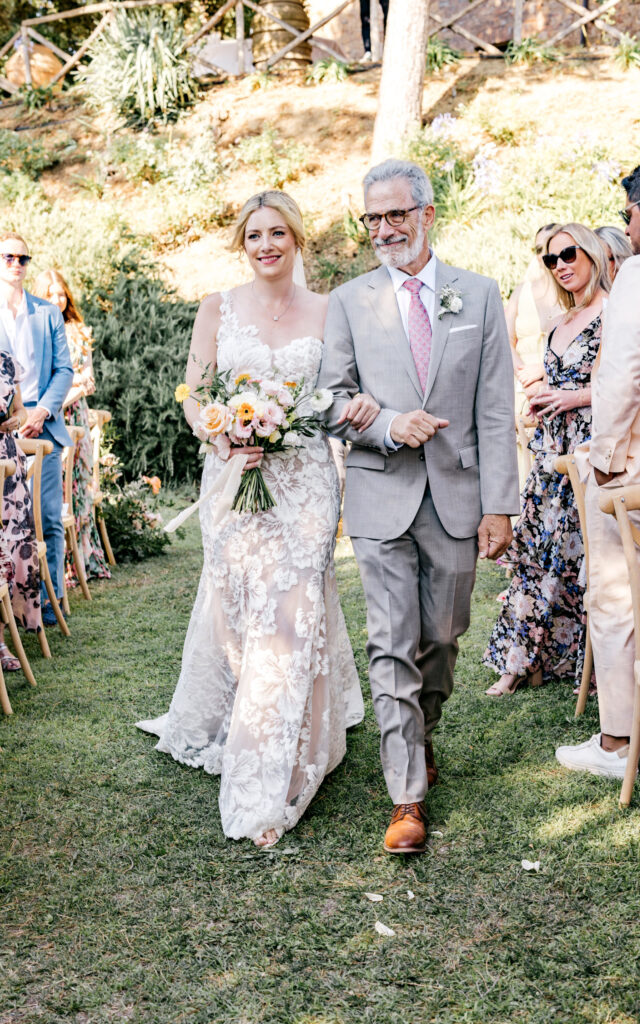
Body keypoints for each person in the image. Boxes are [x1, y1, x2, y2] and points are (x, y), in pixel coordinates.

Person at [137, 190, 380, 848]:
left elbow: (343, 394)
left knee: (293, 611)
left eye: (278, 232)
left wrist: (357, 410)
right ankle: (251, 711)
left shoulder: (332, 310)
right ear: (241, 244)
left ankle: (268, 780)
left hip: (304, 483)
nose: (267, 244)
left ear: (297, 239)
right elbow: (195, 392)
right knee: (244, 609)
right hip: (234, 476)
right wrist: (220, 436)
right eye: (254, 235)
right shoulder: (216, 307)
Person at [317, 158, 518, 855]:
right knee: (390, 643)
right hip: (379, 495)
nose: (383, 229)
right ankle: (406, 794)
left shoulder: (480, 295)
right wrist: (382, 424)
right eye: (372, 218)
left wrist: (501, 506)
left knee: (443, 637)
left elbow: (495, 409)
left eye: (396, 214)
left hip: (459, 498)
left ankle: (423, 732)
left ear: (428, 214)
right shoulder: (347, 300)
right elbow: (330, 399)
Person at [555, 155, 640, 777]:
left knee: (617, 599)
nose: (627, 230)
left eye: (630, 214)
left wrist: (603, 459)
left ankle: (618, 743)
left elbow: (621, 377)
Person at [484, 223, 610, 696]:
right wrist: (541, 399)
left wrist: (570, 399)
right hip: (548, 452)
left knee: (582, 557)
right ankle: (518, 662)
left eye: (569, 254)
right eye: (551, 260)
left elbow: (623, 386)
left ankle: (589, 666)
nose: (561, 265)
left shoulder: (613, 314)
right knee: (535, 555)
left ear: (592, 254)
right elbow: (553, 380)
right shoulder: (558, 323)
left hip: (588, 451)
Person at [0, 232, 73, 625]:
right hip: (2, 430)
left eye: (23, 258)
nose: (16, 264)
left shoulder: (47, 312)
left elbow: (65, 370)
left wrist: (41, 411)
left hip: (42, 426)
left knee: (46, 517)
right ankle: (11, 610)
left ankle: (52, 600)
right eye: (8, 256)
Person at [33, 269, 110, 584]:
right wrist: (68, 383)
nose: (56, 298)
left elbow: (87, 381)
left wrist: (72, 385)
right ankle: (53, 566)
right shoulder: (34, 329)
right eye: (50, 293)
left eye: (61, 293)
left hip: (74, 416)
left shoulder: (79, 331)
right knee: (51, 494)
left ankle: (80, 560)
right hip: (46, 418)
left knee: (77, 488)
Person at [0, 351, 41, 667]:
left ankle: (2, 640)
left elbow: (21, 411)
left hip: (7, 466)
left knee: (9, 550)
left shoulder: (6, 361)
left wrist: (17, 419)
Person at [506, 223, 563, 411]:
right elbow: (505, 340)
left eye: (549, 246)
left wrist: (544, 370)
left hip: (561, 388)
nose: (543, 254)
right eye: (538, 249)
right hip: (523, 390)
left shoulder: (574, 292)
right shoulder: (521, 292)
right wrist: (525, 378)